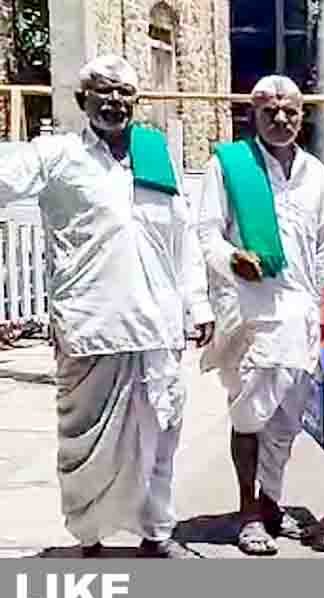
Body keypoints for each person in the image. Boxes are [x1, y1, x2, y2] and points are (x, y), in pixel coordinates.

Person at [0, 56, 211, 558]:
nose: (114, 101)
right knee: (84, 443)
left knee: (161, 434)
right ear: (83, 99)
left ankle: (157, 534)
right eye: (103, 91)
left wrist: (198, 304)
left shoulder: (154, 156)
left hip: (158, 325)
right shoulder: (58, 154)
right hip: (90, 325)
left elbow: (182, 236)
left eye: (124, 92)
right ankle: (90, 537)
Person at [195, 76, 324, 556]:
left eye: (290, 111)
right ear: (252, 116)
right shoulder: (229, 165)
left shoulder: (315, 173)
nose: (280, 119)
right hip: (250, 310)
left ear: (303, 115)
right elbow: (206, 233)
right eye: (269, 111)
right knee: (250, 413)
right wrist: (232, 259)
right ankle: (248, 513)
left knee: (286, 418)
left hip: (302, 312)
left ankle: (272, 503)